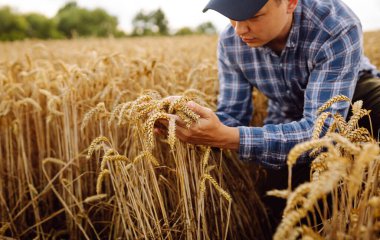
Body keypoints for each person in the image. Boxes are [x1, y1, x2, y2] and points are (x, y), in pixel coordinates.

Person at [157, 0, 380, 234]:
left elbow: (321, 130)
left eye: (254, 16)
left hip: (351, 93)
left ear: (290, 3)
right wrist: (188, 119)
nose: (239, 29)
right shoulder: (231, 42)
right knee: (280, 199)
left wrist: (228, 137)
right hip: (287, 111)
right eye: (232, 17)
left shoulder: (335, 24)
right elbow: (233, 114)